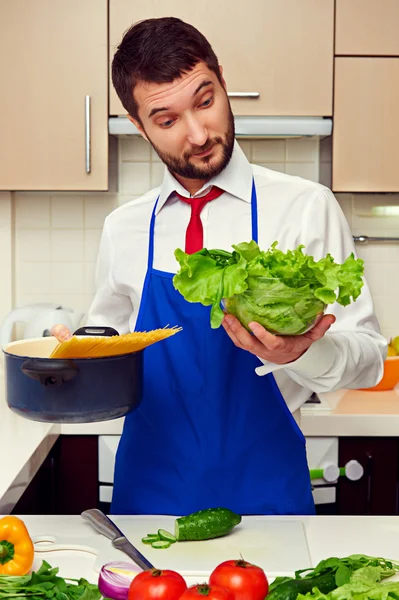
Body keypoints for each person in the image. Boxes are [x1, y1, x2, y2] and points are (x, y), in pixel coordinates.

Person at [53, 17, 386, 516]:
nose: (198, 133)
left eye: (205, 101)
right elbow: (114, 351)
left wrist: (299, 353)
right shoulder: (123, 228)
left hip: (267, 489)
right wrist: (75, 361)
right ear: (138, 126)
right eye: (166, 120)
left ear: (224, 82)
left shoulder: (305, 208)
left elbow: (369, 360)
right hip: (150, 489)